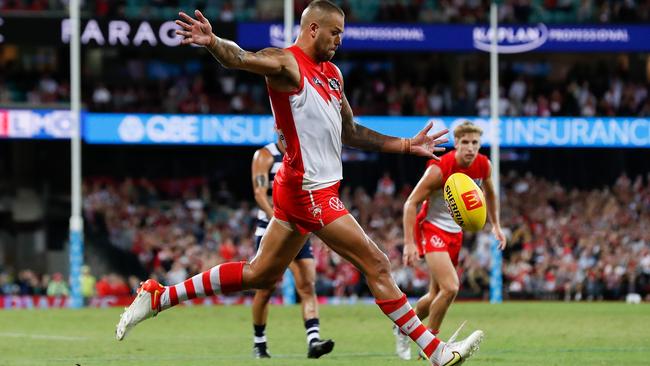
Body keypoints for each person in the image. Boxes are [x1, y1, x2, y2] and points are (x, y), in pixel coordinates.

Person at [116, 2, 484, 364]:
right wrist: (213, 42)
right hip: (309, 190)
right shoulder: (287, 63)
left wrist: (405, 145)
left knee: (260, 273)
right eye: (335, 32)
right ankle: (436, 352)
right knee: (378, 264)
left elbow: (350, 132)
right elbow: (240, 57)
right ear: (313, 29)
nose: (340, 39)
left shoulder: (333, 75)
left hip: (305, 187)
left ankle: (159, 296)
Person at [398, 121, 507, 360]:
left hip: (455, 234)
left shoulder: (483, 165)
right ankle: (431, 343)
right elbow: (410, 203)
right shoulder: (440, 167)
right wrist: (409, 243)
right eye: (465, 142)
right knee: (451, 287)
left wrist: (496, 225)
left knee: (435, 294)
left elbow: (490, 193)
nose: (470, 147)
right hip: (431, 229)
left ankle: (401, 326)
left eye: (475, 142)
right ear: (456, 143)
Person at [249, 140, 334, 359]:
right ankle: (259, 343)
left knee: (307, 286)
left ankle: (313, 340)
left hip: (298, 229)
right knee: (265, 289)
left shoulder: (304, 155)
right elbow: (260, 194)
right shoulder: (265, 155)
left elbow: (313, 194)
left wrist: (322, 227)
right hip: (269, 230)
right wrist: (278, 220)